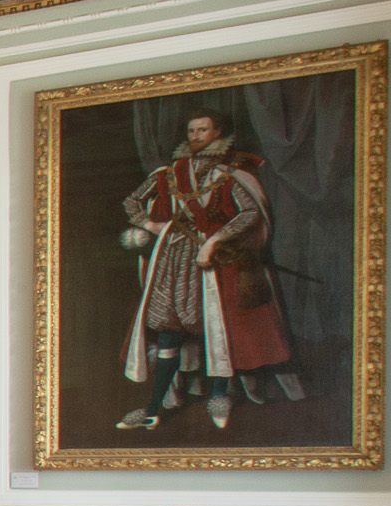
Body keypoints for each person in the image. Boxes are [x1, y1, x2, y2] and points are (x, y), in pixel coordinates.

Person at [115, 108, 302, 431]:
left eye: (203, 130)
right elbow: (131, 202)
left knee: (220, 330)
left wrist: (214, 241)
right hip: (172, 260)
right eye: (191, 131)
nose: (196, 136)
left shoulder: (230, 174)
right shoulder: (169, 172)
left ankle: (219, 397)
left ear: (217, 133)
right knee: (169, 329)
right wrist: (150, 224)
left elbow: (249, 214)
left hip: (217, 265)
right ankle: (153, 407)